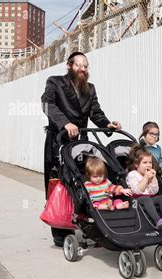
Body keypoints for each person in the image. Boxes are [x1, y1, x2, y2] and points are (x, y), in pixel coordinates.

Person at [41, 51, 122, 247]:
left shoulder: (90, 89)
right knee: (58, 184)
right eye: (79, 65)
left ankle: (90, 223)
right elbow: (47, 104)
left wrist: (107, 124)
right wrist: (65, 123)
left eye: (86, 66)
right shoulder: (55, 82)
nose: (83, 69)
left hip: (81, 144)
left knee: (87, 181)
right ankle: (59, 229)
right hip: (59, 142)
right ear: (70, 66)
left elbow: (95, 111)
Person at [126, 145, 162, 230]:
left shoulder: (150, 174)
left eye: (150, 163)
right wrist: (145, 178)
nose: (148, 165)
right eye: (145, 163)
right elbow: (137, 191)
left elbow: (154, 191)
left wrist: (153, 179)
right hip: (136, 199)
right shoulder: (132, 174)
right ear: (136, 165)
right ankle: (158, 221)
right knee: (146, 199)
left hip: (149, 197)